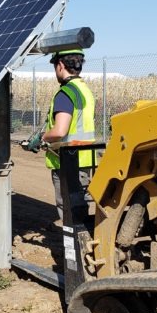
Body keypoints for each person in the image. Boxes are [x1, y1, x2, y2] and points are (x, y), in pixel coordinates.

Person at [41, 48, 95, 221]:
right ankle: (83, 244)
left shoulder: (65, 93)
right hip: (84, 160)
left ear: (60, 65)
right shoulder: (84, 90)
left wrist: (43, 137)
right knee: (80, 208)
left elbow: (60, 131)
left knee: (69, 211)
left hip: (67, 161)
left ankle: (72, 247)